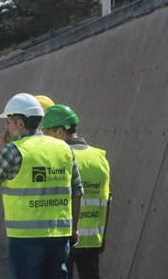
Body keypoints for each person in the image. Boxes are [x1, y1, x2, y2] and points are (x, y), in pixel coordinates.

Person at [0, 93, 84, 279]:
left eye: (9, 120)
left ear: (20, 123)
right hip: (58, 236)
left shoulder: (12, 151)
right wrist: (74, 228)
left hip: (25, 238)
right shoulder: (64, 149)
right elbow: (77, 192)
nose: (6, 126)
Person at [41, 105, 111, 279]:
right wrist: (102, 238)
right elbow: (107, 201)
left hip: (65, 238)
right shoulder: (100, 158)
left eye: (47, 132)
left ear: (59, 131)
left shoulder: (60, 157)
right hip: (93, 240)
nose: (44, 138)